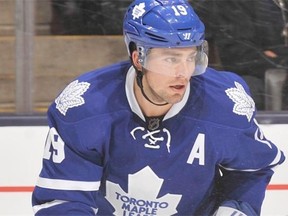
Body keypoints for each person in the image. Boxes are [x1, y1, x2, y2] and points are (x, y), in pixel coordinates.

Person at [32, 0, 285, 215]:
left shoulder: (224, 105)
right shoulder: (85, 106)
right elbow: (64, 199)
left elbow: (252, 169)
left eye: (190, 57)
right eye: (170, 59)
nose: (183, 72)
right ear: (137, 58)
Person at [192, 0, 288, 110]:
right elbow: (240, 56)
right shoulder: (234, 4)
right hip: (249, 79)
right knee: (246, 91)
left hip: (269, 72)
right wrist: (279, 60)